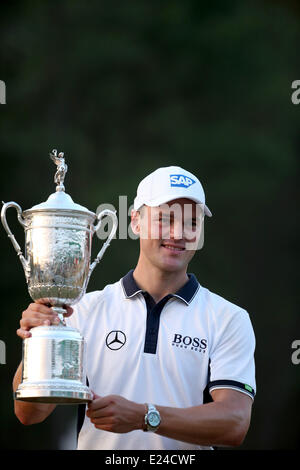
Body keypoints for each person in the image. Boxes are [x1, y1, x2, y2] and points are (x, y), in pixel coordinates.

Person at [13, 166, 256, 450]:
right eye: (165, 219)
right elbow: (29, 413)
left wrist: (145, 416)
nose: (178, 233)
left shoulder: (229, 319)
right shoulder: (83, 310)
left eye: (191, 222)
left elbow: (235, 423)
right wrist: (39, 340)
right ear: (136, 222)